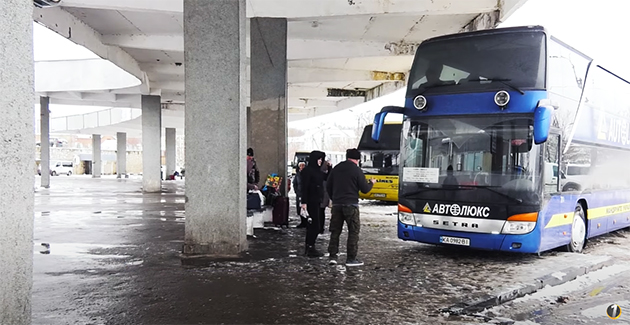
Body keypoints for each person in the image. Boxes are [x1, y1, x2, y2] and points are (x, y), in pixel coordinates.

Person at [326, 148, 376, 267]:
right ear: (357, 159)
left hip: (337, 205)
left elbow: (328, 185)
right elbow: (364, 189)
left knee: (335, 231)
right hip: (351, 205)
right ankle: (351, 258)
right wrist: (371, 183)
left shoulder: (337, 168)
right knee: (353, 231)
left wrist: (334, 198)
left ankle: (332, 257)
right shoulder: (357, 170)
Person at [300, 150, 327, 257]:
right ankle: (310, 247)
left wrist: (329, 168)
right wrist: (304, 202)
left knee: (315, 224)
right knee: (314, 225)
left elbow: (325, 177)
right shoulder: (308, 171)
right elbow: (304, 187)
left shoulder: (317, 171)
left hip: (316, 200)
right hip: (310, 200)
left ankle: (310, 246)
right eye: (319, 159)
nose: (320, 161)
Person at [320, 158, 333, 234]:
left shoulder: (320, 173)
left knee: (319, 212)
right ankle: (321, 228)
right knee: (321, 212)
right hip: (325, 195)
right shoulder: (327, 174)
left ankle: (320, 228)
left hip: (322, 195)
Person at [293, 162, 307, 228]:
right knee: (300, 208)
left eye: (303, 166)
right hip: (299, 193)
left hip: (306, 193)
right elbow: (295, 184)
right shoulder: (297, 175)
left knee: (305, 208)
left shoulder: (307, 174)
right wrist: (296, 191)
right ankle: (302, 221)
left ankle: (306, 221)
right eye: (300, 166)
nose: (302, 167)